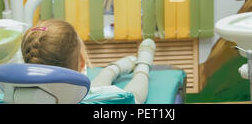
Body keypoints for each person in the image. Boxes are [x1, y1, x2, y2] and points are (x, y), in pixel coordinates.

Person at [21, 19, 156, 104]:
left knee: (94, 90)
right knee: (134, 97)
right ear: (81, 62)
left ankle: (112, 70)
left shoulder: (11, 97)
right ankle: (142, 65)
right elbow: (131, 99)